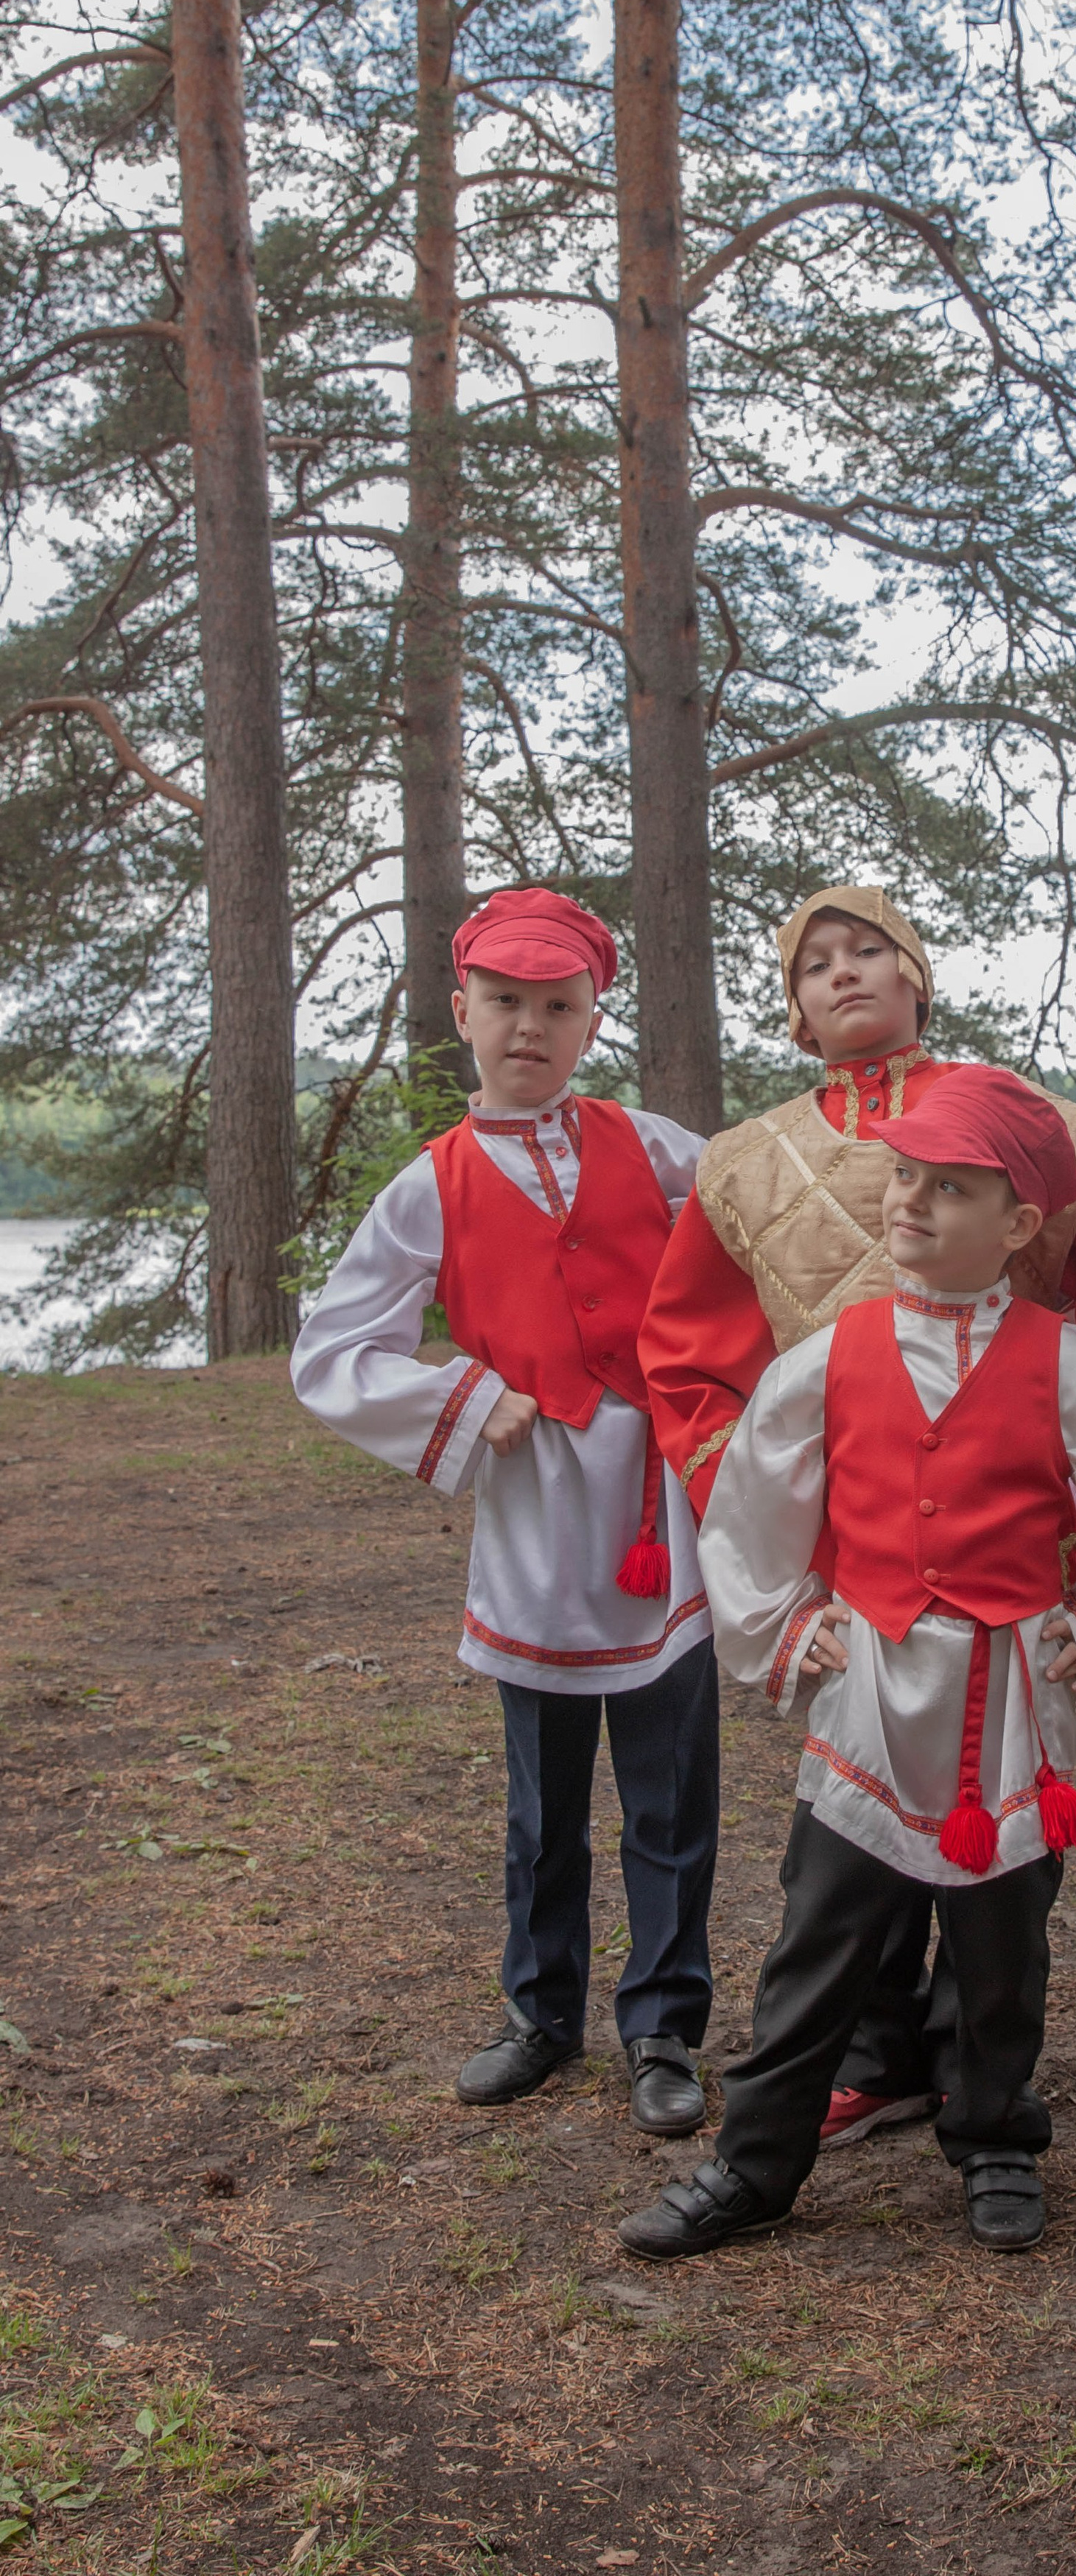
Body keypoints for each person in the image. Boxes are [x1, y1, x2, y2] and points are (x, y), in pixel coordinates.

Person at [618, 1066, 1076, 2261]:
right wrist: (790, 1625)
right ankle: (755, 2161)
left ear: (1021, 1224)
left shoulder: (1073, 1368)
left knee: (1001, 1954)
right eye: (903, 1178)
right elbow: (749, 1512)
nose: (912, 1205)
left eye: (950, 1188)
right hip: (876, 1695)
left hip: (1008, 1715)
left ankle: (995, 2135)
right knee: (817, 1942)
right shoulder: (830, 1360)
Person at [290, 888, 717, 2135]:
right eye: (507, 1003)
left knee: (672, 1793)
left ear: (591, 1020)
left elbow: (760, 1243)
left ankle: (664, 2024)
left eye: (559, 1007)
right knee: (544, 1798)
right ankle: (541, 2011)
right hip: (536, 1511)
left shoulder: (656, 1143)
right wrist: (466, 1395)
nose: (530, 1028)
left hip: (657, 1506)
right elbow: (332, 1349)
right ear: (464, 1011)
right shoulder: (431, 1186)